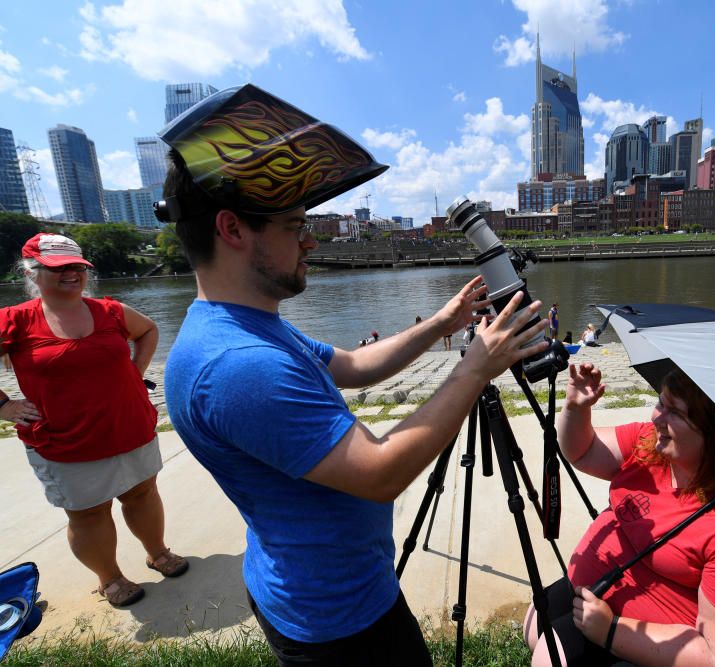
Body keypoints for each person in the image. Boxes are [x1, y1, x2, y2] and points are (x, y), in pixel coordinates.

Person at [158, 84, 548, 666]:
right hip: (335, 621)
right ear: (233, 230)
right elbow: (381, 472)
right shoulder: (238, 365)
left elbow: (353, 366)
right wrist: (476, 365)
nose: (311, 240)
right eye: (294, 226)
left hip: (331, 588)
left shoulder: (246, 325)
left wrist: (442, 320)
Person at [523, 362, 715, 666]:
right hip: (597, 594)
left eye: (675, 413)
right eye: (660, 403)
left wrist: (611, 632)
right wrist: (576, 408)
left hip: (651, 640)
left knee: (549, 656)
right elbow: (582, 452)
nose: (657, 418)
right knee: (534, 628)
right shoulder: (651, 445)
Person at [0, 233, 187, 608]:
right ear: (32, 272)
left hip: (130, 426)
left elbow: (148, 329)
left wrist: (136, 372)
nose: (72, 274)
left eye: (77, 267)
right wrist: (3, 406)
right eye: (58, 268)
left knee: (143, 493)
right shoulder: (15, 320)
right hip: (66, 441)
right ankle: (110, 577)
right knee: (88, 514)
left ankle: (158, 552)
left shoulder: (110, 311)